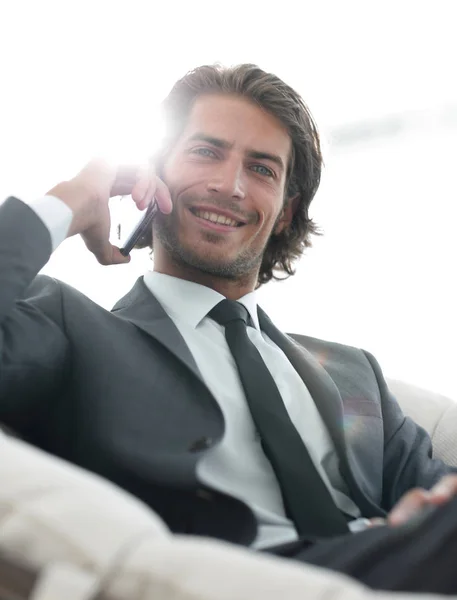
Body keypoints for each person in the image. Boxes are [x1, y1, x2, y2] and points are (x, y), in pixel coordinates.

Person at [1, 63, 457, 594]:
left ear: (285, 214)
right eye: (205, 152)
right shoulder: (70, 328)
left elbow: (436, 490)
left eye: (262, 169)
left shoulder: (356, 374)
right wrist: (70, 198)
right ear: (152, 177)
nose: (230, 185)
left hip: (394, 562)